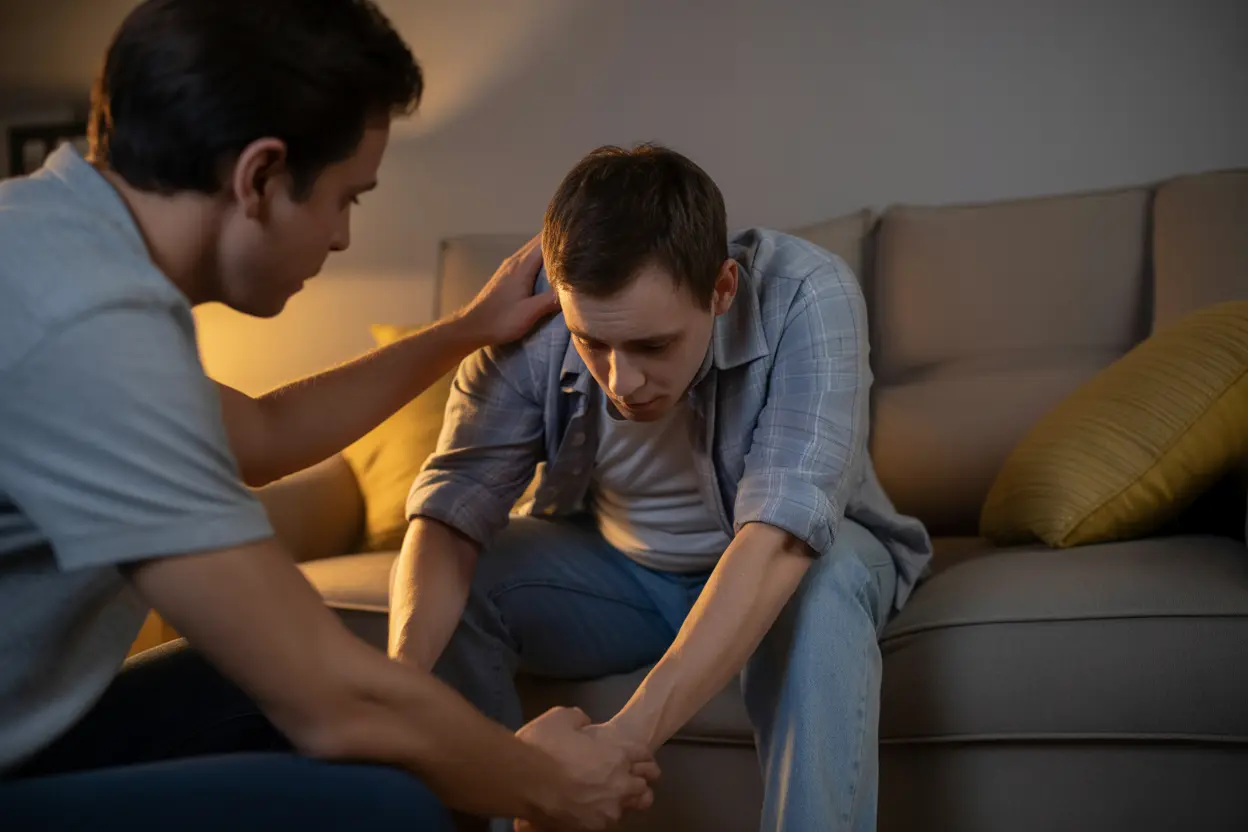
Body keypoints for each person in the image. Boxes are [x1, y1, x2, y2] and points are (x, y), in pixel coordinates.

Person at [0, 1, 659, 829]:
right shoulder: (86, 327)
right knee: (391, 798)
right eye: (347, 197)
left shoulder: (45, 239)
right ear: (261, 177)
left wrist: (463, 332)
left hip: (28, 740)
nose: (344, 236)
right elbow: (335, 704)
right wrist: (549, 782)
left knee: (261, 695)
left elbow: (267, 434)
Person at [391, 143, 935, 832]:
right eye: (593, 343)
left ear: (722, 289)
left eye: (652, 347)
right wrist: (398, 691)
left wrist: (623, 740)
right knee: (459, 582)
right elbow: (449, 512)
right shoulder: (530, 315)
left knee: (821, 582)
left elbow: (782, 538)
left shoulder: (808, 294)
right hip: (624, 577)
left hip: (793, 564)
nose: (621, 382)